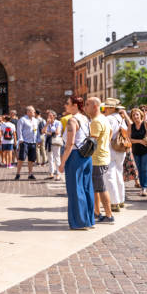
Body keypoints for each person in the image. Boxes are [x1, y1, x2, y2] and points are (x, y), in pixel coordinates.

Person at [59, 96, 95, 230]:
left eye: (67, 103)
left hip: (75, 156)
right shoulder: (85, 118)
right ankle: (89, 220)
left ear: (74, 105)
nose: (65, 105)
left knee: (75, 189)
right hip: (86, 156)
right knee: (86, 188)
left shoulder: (72, 121)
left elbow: (70, 143)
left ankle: (79, 221)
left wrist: (62, 163)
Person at [87, 97, 114, 223]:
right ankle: (96, 212)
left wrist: (83, 154)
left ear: (95, 106)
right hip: (103, 157)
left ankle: (109, 215)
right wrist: (106, 143)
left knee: (101, 188)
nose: (85, 107)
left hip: (97, 159)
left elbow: (92, 142)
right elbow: (111, 132)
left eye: (87, 104)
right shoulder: (103, 118)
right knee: (96, 188)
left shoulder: (96, 121)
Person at [104, 100, 128, 211]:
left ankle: (114, 202)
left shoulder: (108, 119)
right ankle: (121, 199)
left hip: (111, 147)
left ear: (111, 108)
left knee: (109, 175)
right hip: (121, 148)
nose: (105, 109)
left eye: (107, 107)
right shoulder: (121, 118)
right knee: (119, 172)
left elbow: (107, 134)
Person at [14, 106, 39, 180]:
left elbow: (36, 130)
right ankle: (18, 173)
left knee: (31, 159)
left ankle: (30, 174)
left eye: (34, 111)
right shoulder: (22, 119)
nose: (34, 112)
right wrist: (20, 139)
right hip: (25, 141)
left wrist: (38, 139)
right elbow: (19, 130)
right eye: (33, 111)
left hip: (33, 142)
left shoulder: (35, 120)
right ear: (28, 112)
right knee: (21, 158)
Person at [44, 110, 62, 180]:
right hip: (48, 141)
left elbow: (57, 132)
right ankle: (51, 173)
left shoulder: (58, 123)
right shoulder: (47, 123)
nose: (49, 117)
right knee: (50, 158)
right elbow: (43, 131)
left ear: (54, 116)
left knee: (56, 157)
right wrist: (46, 124)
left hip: (55, 141)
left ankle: (58, 174)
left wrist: (48, 133)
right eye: (48, 116)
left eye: (50, 116)